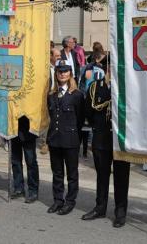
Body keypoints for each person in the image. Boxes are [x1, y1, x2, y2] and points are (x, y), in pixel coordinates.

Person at [81, 60, 131, 228]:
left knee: (121, 177)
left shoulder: (128, 87)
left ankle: (120, 211)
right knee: (102, 175)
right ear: (107, 68)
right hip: (101, 138)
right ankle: (100, 207)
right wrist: (97, 125)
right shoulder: (96, 86)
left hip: (121, 140)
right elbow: (88, 109)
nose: (114, 69)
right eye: (111, 66)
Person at [46, 59, 84, 215]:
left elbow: (80, 119)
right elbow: (51, 115)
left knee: (72, 173)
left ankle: (70, 201)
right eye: (60, 71)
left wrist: (76, 138)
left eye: (65, 71)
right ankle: (57, 200)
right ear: (56, 74)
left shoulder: (77, 95)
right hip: (55, 139)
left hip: (70, 140)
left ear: (70, 74)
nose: (62, 74)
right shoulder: (51, 95)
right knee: (57, 172)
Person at [10, 116, 39, 203]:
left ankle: (33, 191)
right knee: (15, 162)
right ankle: (18, 188)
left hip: (28, 130)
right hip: (14, 130)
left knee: (31, 162)